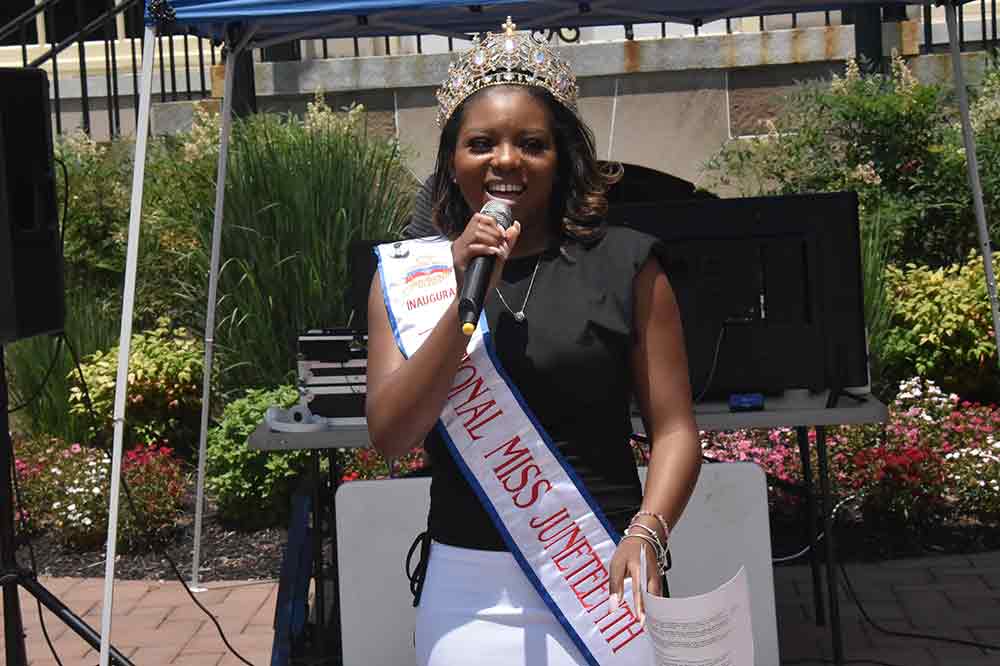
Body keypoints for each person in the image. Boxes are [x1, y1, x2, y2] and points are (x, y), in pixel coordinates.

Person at [365, 17, 701, 666]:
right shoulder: (409, 279)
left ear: (561, 157)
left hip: (605, 572)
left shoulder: (629, 266)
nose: (506, 160)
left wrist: (649, 532)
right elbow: (391, 436)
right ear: (452, 161)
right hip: (467, 590)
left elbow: (676, 428)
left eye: (531, 143)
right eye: (482, 143)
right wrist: (460, 299)